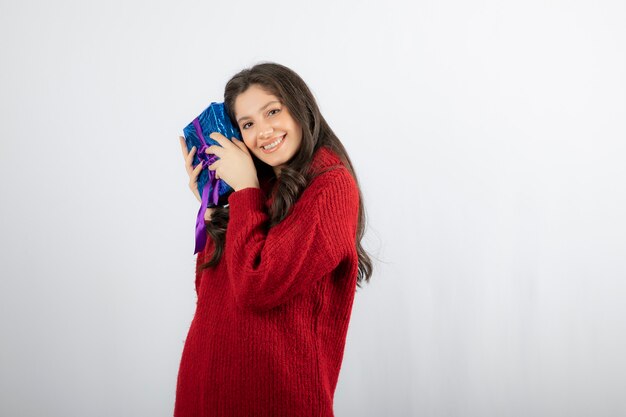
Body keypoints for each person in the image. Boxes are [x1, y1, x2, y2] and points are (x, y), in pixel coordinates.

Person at [174, 62, 373, 416]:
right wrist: (213, 207)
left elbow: (257, 286)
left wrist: (245, 189)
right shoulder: (255, 187)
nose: (263, 131)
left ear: (300, 108)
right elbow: (211, 291)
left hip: (274, 397)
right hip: (205, 386)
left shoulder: (331, 186)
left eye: (272, 112)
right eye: (248, 124)